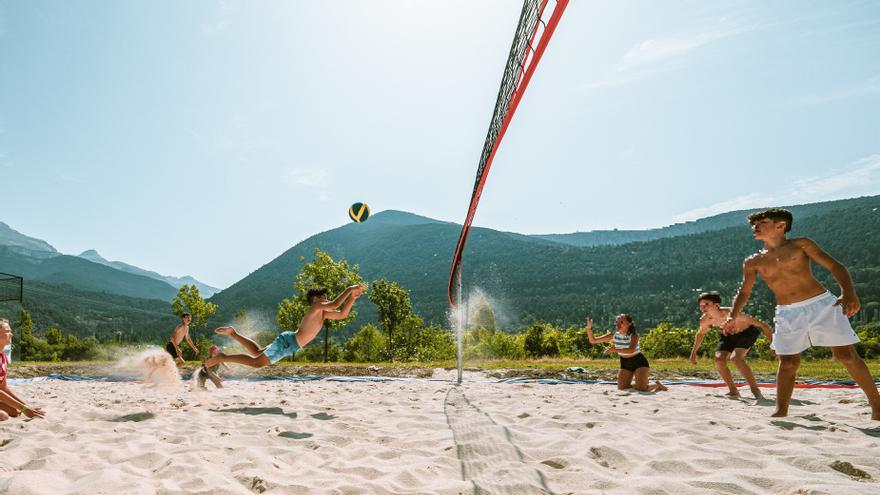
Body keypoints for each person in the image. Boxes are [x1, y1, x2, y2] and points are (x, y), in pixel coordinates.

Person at [723, 208, 880, 419]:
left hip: (822, 305)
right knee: (788, 362)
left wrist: (849, 293)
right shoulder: (753, 261)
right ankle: (781, 411)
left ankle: (876, 405)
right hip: (788, 313)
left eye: (762, 222)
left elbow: (836, 266)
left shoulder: (801, 244)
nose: (755, 227)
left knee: (845, 355)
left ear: (781, 226)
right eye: (754, 224)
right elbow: (744, 291)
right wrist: (733, 315)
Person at [205, 284, 366, 368]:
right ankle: (222, 358)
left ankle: (233, 334)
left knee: (257, 353)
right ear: (315, 300)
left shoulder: (322, 313)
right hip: (288, 342)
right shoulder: (316, 308)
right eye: (323, 297)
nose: (326, 299)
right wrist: (350, 289)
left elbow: (342, 314)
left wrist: (353, 298)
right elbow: (336, 303)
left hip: (289, 343)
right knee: (257, 362)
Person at [690, 291, 773, 399]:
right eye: (701, 305)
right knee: (719, 360)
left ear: (717, 305)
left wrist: (773, 344)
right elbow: (700, 334)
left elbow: (763, 325)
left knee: (736, 358)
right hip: (728, 336)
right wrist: (693, 353)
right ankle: (733, 390)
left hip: (747, 333)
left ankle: (755, 389)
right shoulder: (705, 320)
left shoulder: (733, 314)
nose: (703, 307)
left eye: (706, 304)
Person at [586, 314, 667, 392]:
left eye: (621, 322)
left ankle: (656, 385)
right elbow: (593, 340)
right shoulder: (614, 335)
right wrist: (589, 328)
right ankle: (646, 384)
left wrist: (615, 349)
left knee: (641, 389)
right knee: (622, 388)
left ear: (629, 324)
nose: (618, 323)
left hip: (639, 362)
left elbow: (631, 350)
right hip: (625, 363)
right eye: (617, 321)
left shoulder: (634, 335)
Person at [0, 319, 44, 420]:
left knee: (15, 411)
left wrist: (27, 406)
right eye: (7, 331)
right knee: (3, 415)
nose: (11, 334)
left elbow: (3, 387)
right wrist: (25, 409)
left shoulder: (3, 358)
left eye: (10, 331)